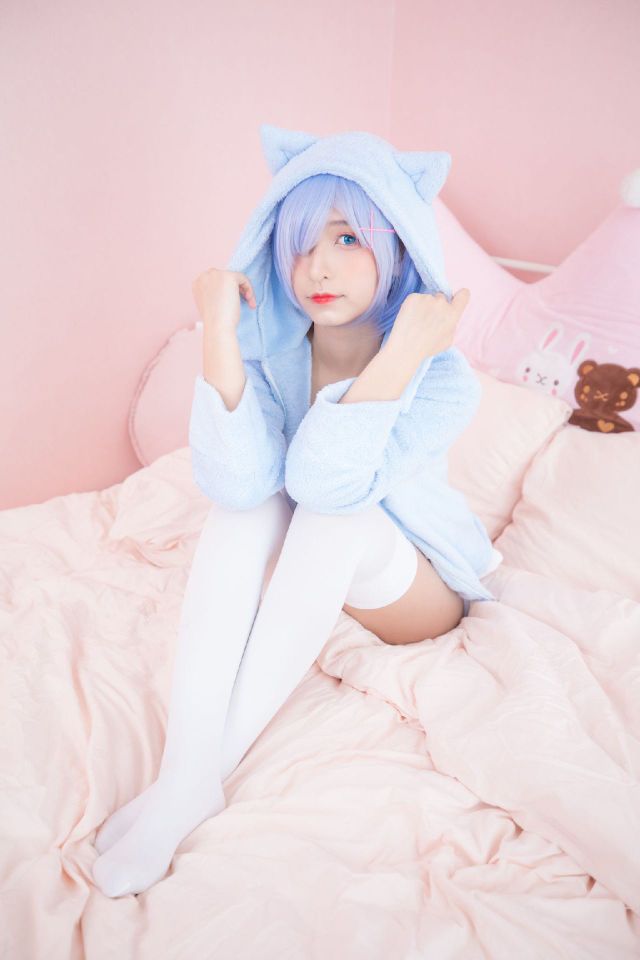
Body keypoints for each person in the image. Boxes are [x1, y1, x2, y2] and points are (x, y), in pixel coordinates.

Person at [91, 124, 503, 897]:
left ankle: (196, 778)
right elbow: (238, 483)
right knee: (241, 514)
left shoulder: (443, 380)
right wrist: (221, 333)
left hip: (420, 588)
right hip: (328, 544)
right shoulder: (276, 347)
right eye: (298, 242)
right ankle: (185, 777)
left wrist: (402, 354)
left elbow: (325, 487)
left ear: (398, 245)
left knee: (332, 516)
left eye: (348, 238)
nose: (318, 266)